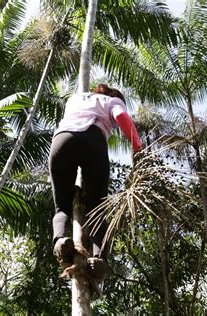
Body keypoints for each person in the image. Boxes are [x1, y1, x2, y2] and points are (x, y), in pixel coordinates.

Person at [49, 83, 142, 280]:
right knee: (97, 210)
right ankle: (99, 259)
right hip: (93, 141)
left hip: (62, 140)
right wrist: (137, 147)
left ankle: (60, 241)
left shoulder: (75, 99)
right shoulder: (113, 101)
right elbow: (122, 117)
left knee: (62, 207)